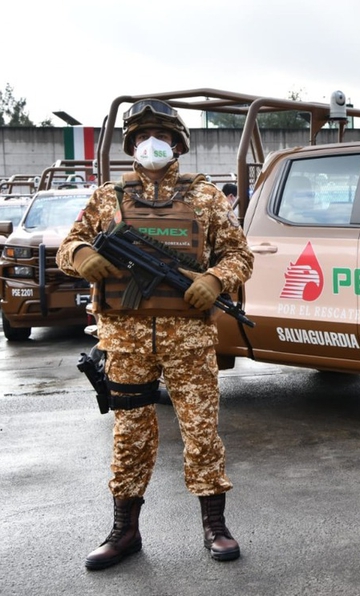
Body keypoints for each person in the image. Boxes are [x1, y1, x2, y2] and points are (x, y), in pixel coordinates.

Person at [56, 99, 254, 569]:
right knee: (129, 435)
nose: (152, 144)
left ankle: (215, 525)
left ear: (179, 143)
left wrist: (215, 280)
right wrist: (81, 255)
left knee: (201, 432)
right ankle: (125, 532)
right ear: (130, 144)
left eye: (161, 135)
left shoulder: (206, 197)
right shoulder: (108, 198)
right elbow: (68, 245)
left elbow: (239, 255)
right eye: (143, 135)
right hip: (124, 344)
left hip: (189, 342)